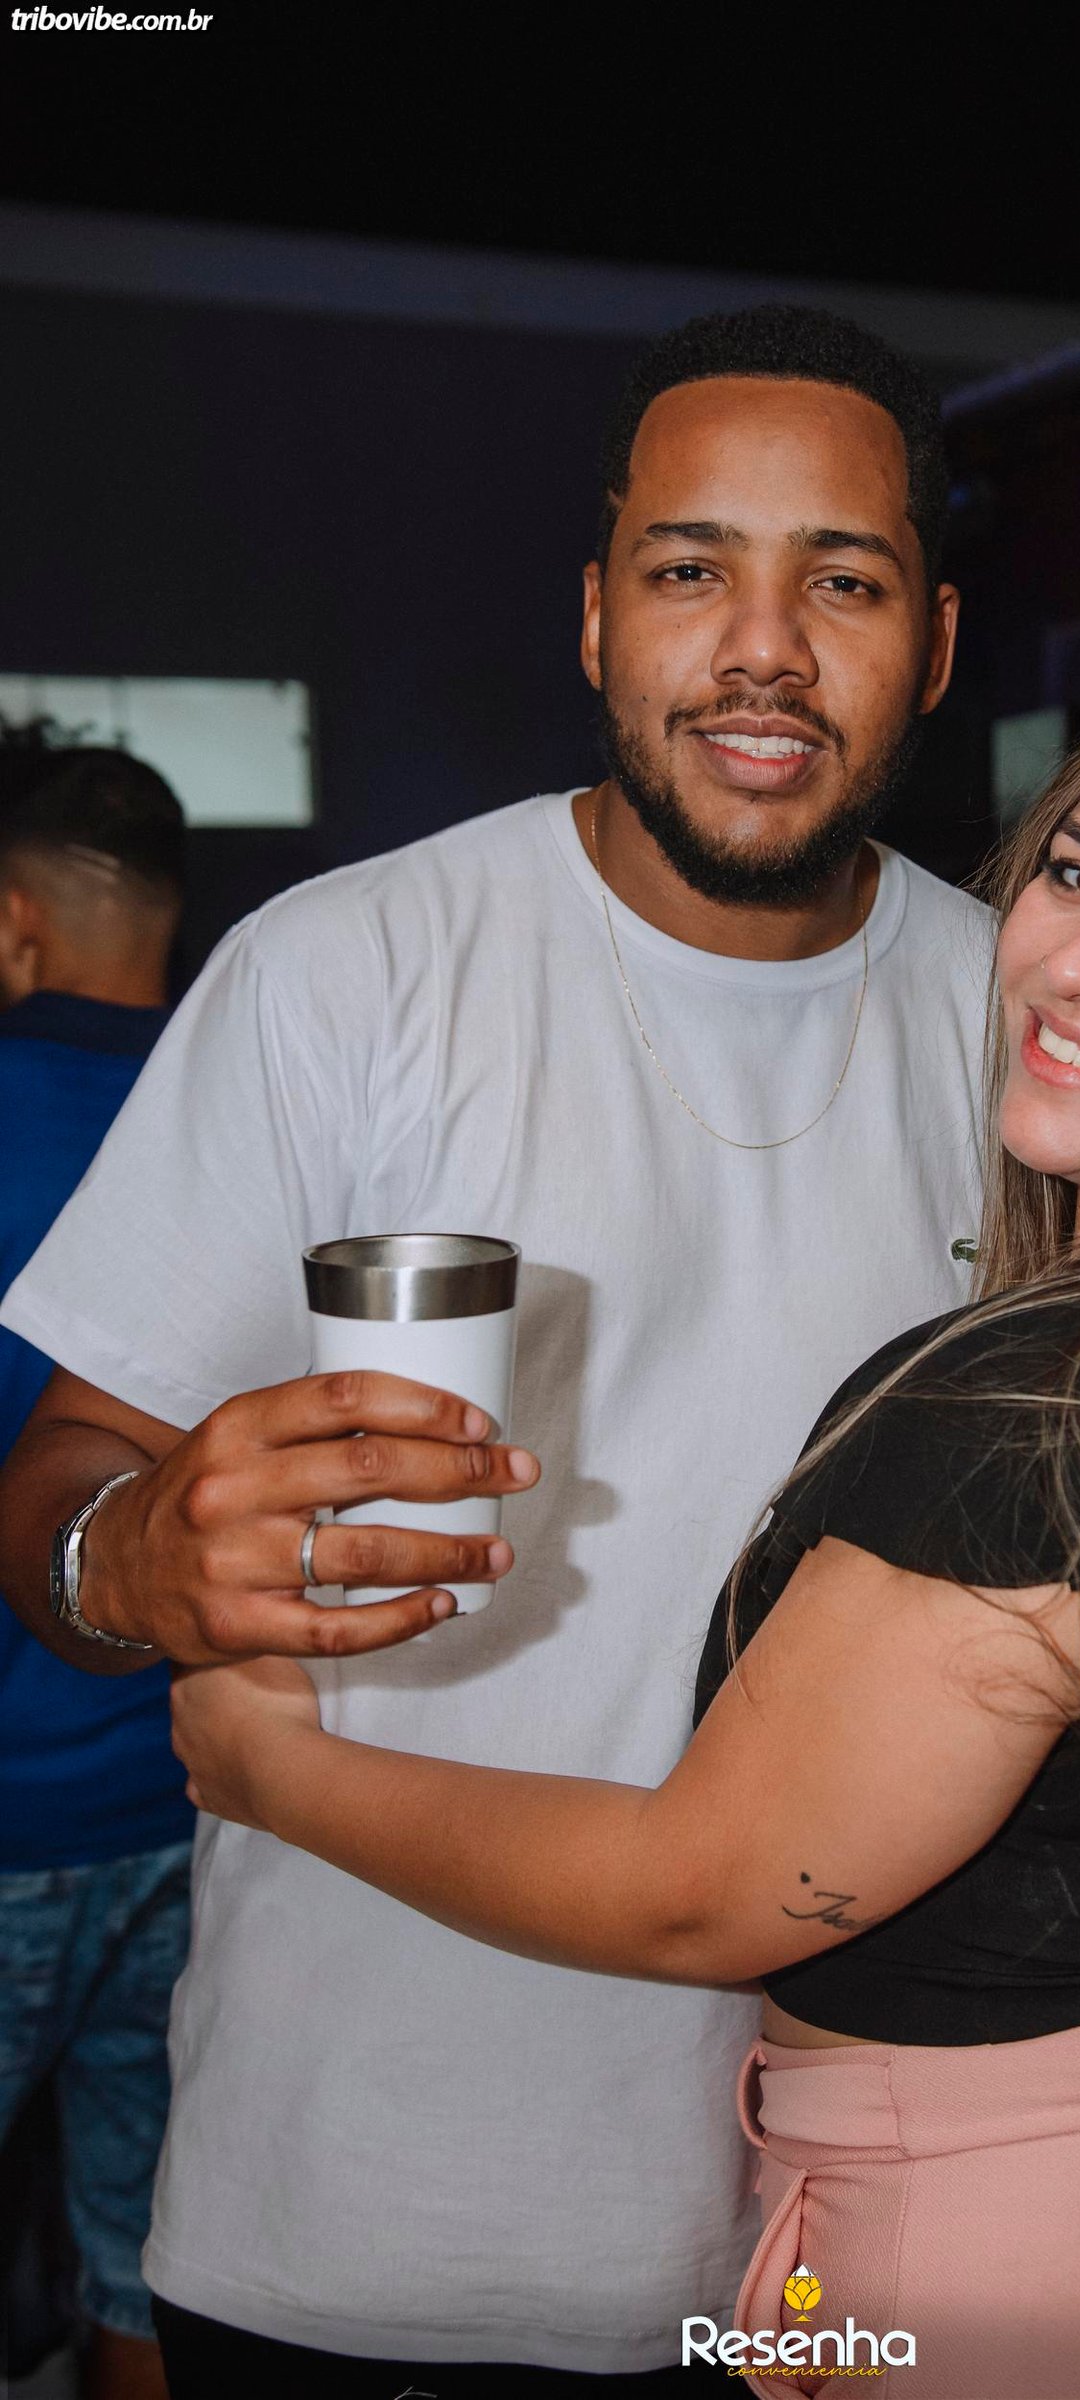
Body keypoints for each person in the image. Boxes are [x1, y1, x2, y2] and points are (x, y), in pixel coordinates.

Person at [167, 642, 1080, 2398]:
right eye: (1074, 872)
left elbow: (702, 1896)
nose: (1075, 965)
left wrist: (272, 1769)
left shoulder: (1054, 1408)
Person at [0, 306, 991, 2396]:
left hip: (848, 2244)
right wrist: (129, 1558)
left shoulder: (1027, 1029)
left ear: (932, 643)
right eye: (690, 567)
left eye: (843, 581)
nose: (761, 648)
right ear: (595, 614)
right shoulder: (344, 971)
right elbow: (65, 1480)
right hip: (356, 2230)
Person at [0, 740, 190, 2400]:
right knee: (154, 2258)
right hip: (200, 1803)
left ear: (14, 924)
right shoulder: (260, 1121)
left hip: (9, 1814)